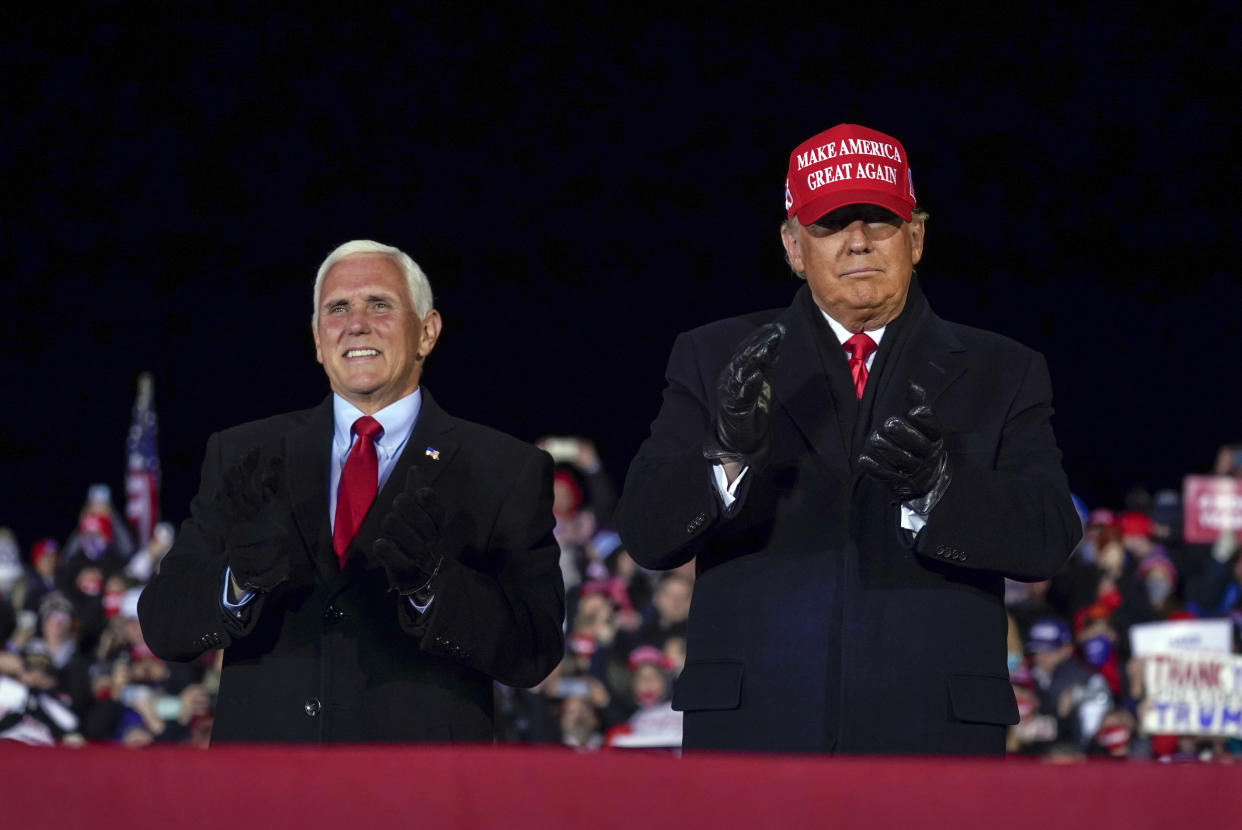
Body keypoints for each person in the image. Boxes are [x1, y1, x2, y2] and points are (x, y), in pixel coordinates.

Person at [615, 123, 1081, 755]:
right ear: (792, 246)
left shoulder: (1005, 369)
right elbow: (647, 532)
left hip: (933, 739)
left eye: (878, 220)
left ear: (916, 237)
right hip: (753, 732)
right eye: (831, 224)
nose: (858, 241)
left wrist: (943, 491)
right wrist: (725, 454)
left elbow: (1050, 536)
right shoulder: (714, 357)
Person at [138, 240, 564, 743]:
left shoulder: (504, 468)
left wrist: (433, 586)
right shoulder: (244, 455)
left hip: (417, 796)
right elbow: (164, 626)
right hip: (266, 792)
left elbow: (533, 648)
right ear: (318, 340)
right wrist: (238, 579)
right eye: (337, 308)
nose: (356, 323)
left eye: (379, 304)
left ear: (427, 332)